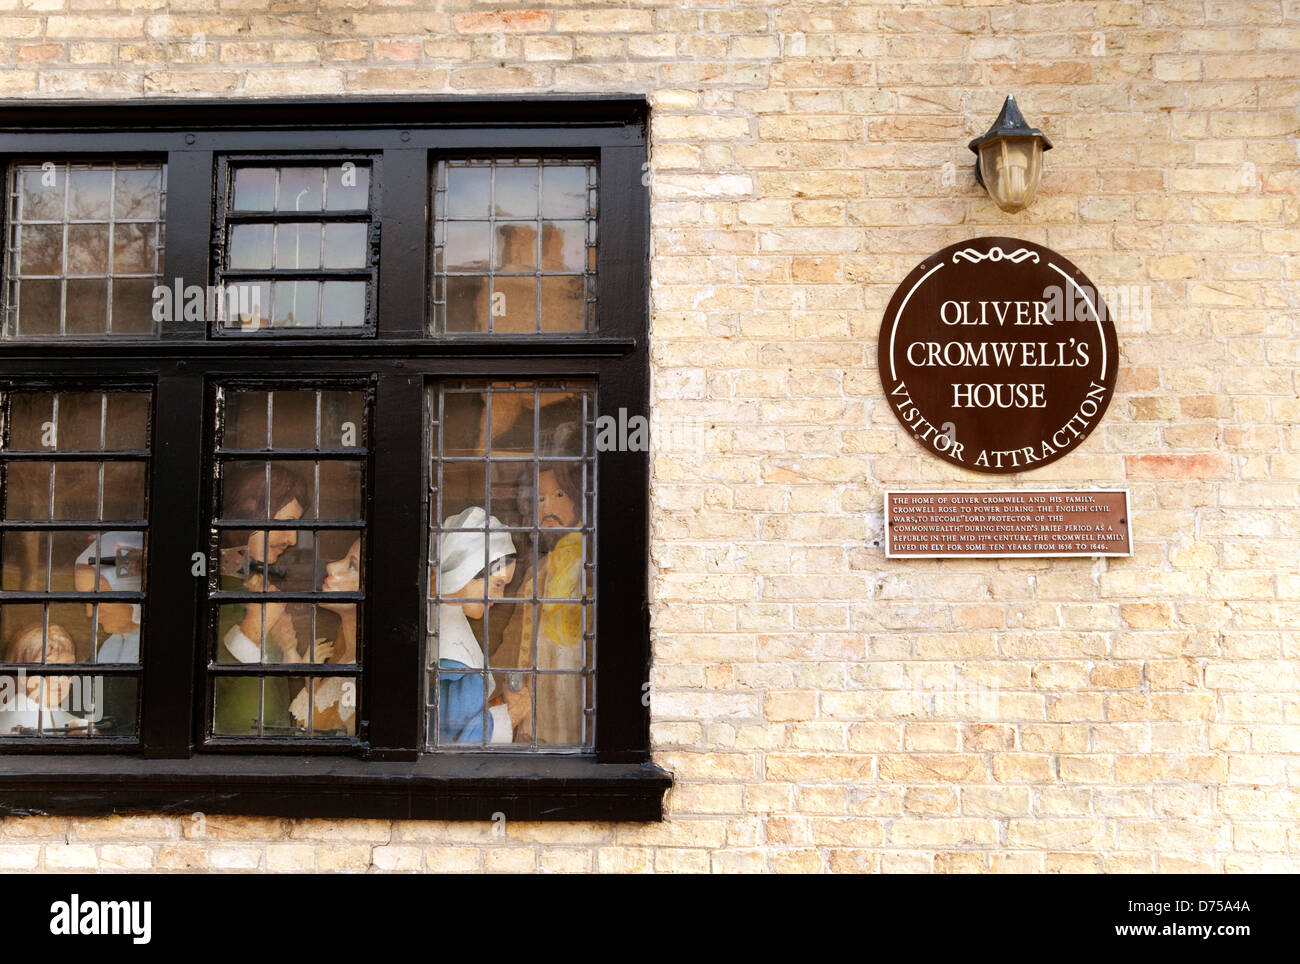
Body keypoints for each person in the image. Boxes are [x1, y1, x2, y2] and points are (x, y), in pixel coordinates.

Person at [214, 464, 308, 736]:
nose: (292, 540)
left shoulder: (252, 582)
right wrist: (257, 625)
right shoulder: (218, 585)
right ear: (249, 514)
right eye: (287, 525)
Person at [508, 462, 589, 745]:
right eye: (540, 499)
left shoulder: (589, 563)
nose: (547, 508)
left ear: (578, 498)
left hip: (572, 702)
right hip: (538, 704)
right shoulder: (539, 569)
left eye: (558, 496)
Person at [433, 506, 530, 744]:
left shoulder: (443, 631)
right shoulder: (455, 658)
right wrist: (511, 715)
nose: (501, 597)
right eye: (497, 584)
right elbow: (456, 739)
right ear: (466, 571)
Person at [73, 531, 144, 733]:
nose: (90, 613)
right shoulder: (102, 652)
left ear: (131, 591)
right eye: (86, 600)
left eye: (99, 597)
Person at [290, 536, 360, 736]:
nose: (331, 566)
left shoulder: (359, 668)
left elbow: (334, 734)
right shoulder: (340, 653)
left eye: (352, 566)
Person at [0, 623, 85, 736]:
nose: (61, 679)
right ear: (22, 674)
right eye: (49, 669)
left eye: (67, 668)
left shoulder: (69, 719)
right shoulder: (15, 717)